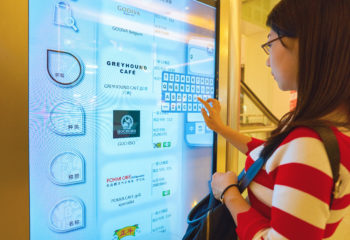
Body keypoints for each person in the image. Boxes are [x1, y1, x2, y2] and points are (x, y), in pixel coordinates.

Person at [198, 0, 350, 239]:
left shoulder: (311, 146)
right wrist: (221, 128)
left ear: (306, 45)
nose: (268, 60)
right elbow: (272, 155)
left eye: (270, 42)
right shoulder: (323, 131)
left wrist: (229, 194)